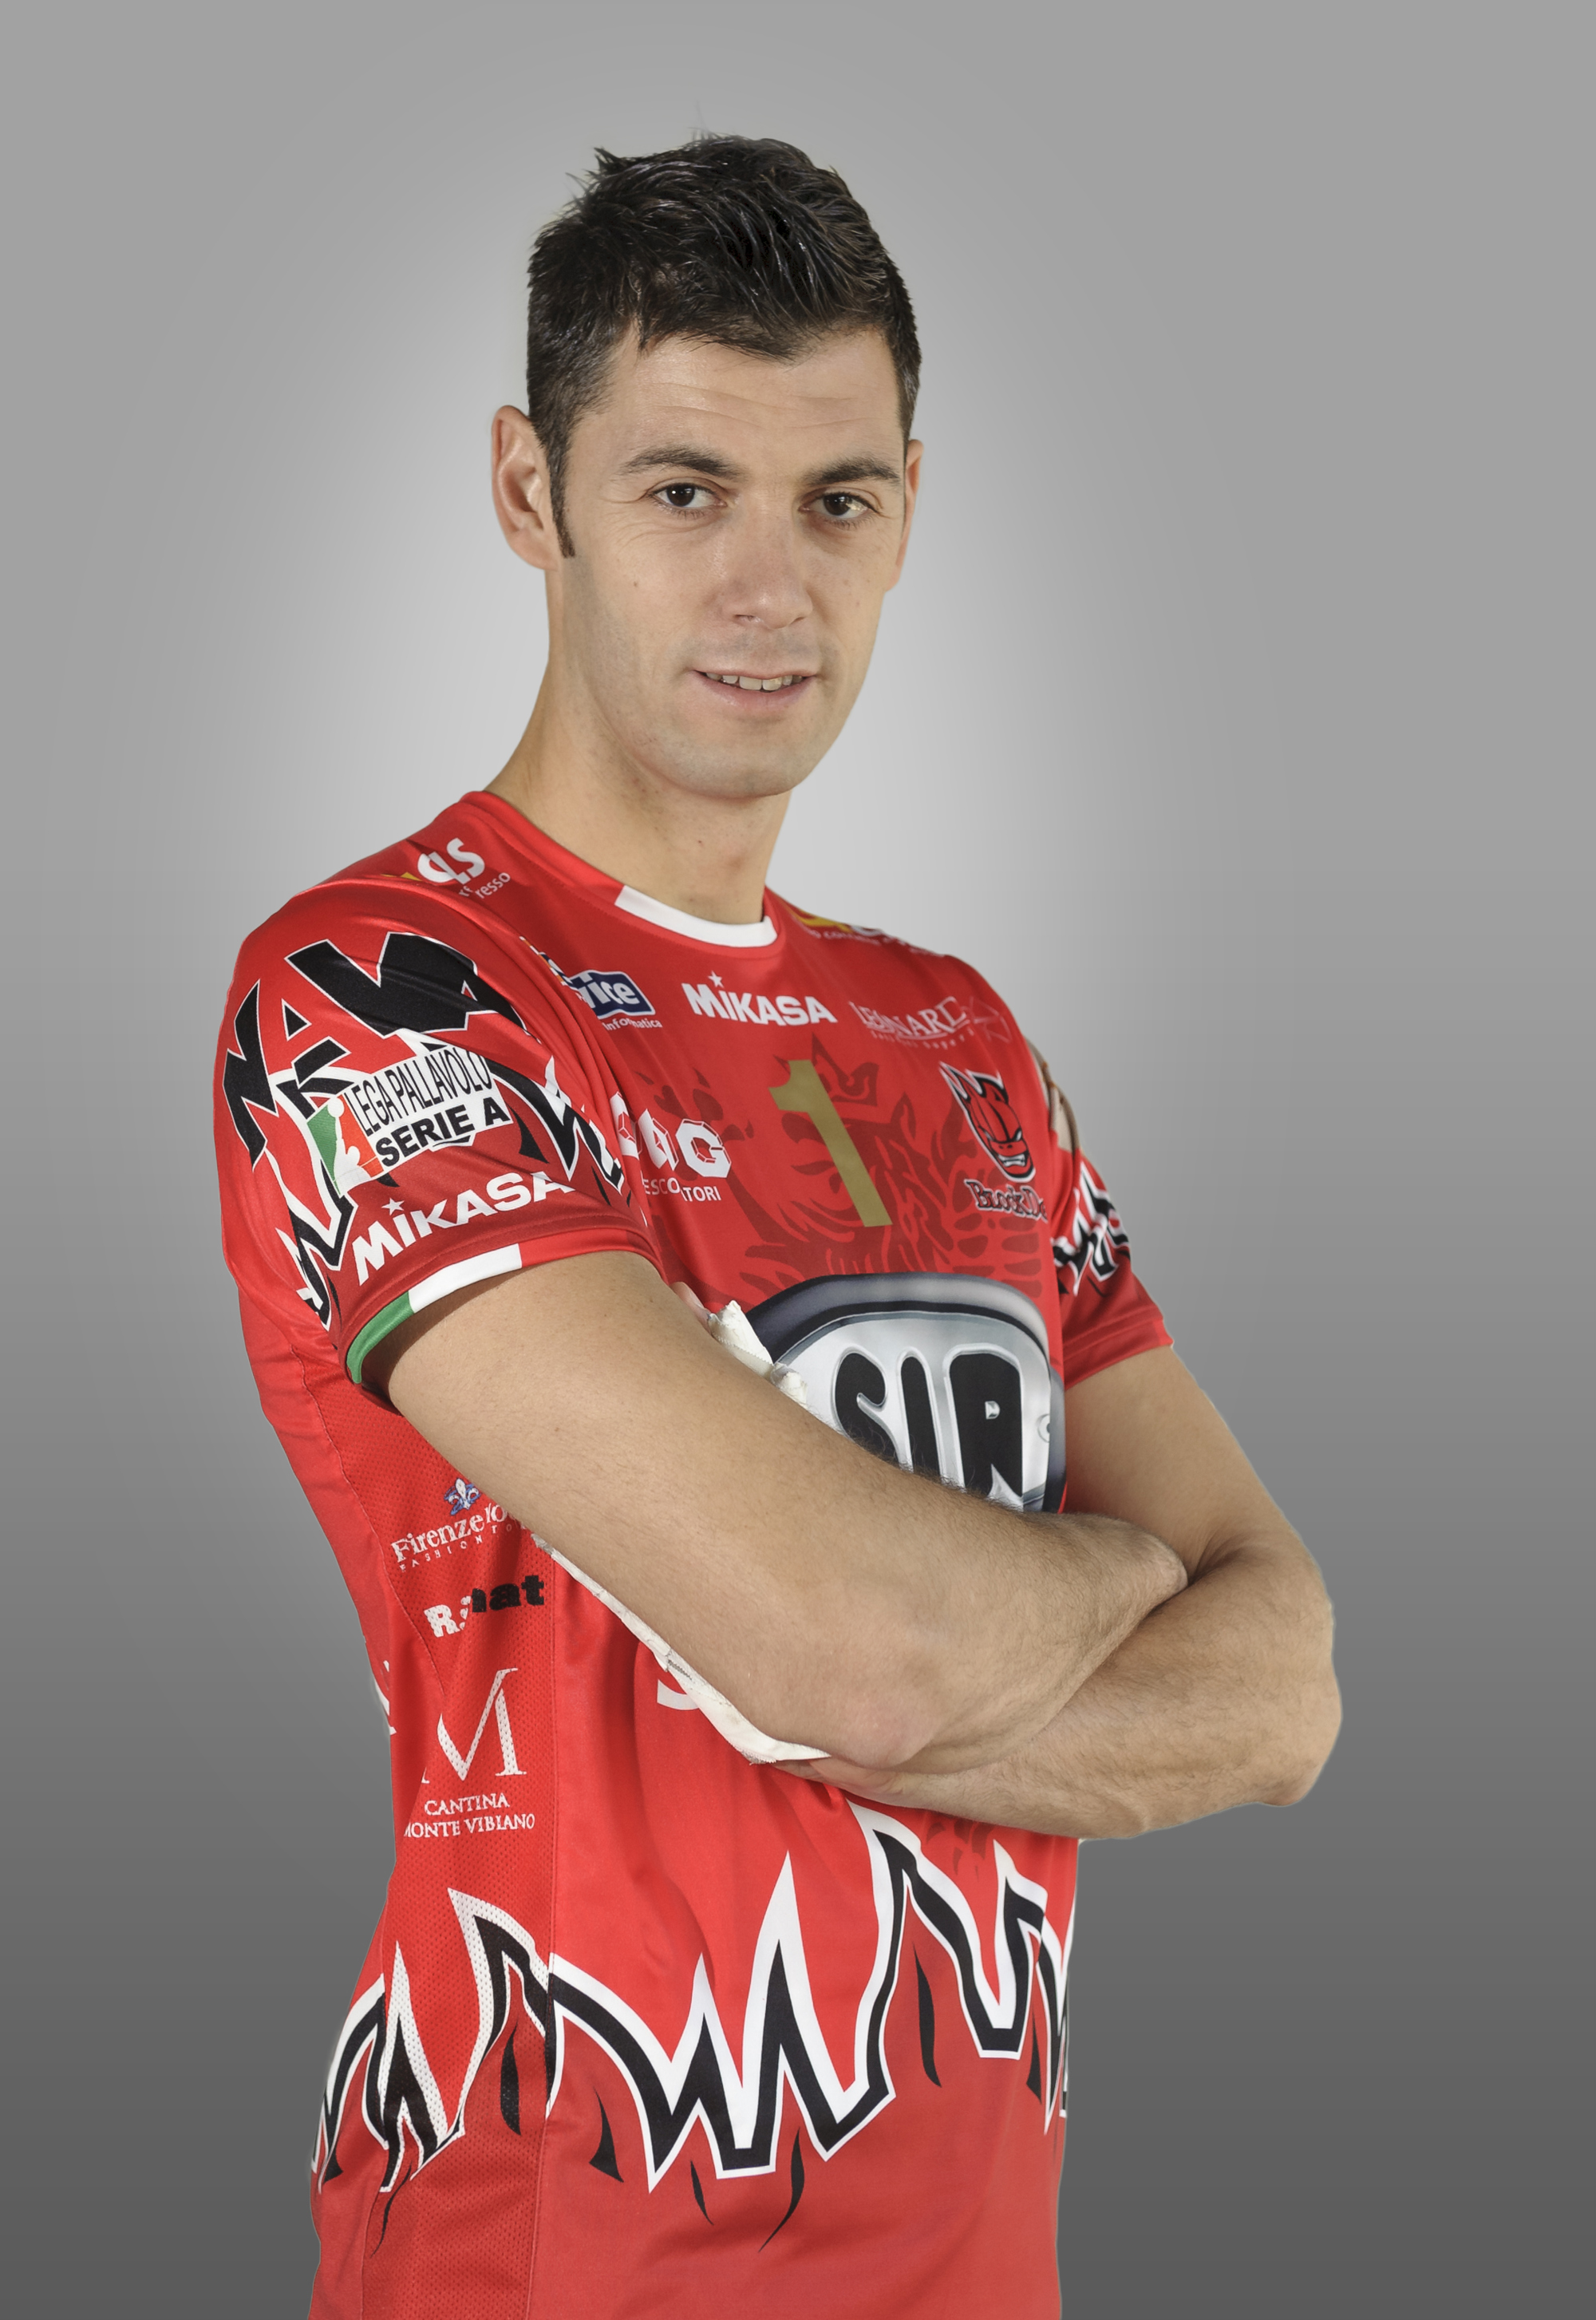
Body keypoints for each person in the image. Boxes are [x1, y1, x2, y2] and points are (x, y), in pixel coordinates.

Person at [213, 136, 1340, 2320]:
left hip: (981, 2265)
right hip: (554, 2249)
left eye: (836, 501)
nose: (769, 587)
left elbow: (1287, 1685)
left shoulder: (963, 1044)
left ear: (912, 507)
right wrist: (1113, 1585)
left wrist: (902, 1656)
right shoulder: (381, 1000)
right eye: (684, 490)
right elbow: (861, 1654)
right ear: (530, 494)